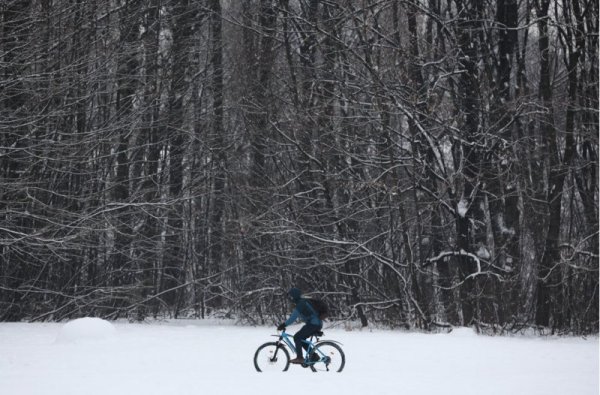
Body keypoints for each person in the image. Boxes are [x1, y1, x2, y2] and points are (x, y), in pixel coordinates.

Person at [277, 287, 323, 364]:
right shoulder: (301, 302)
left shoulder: (301, 303)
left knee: (297, 337)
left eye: (290, 296)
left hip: (314, 324)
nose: (290, 298)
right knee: (301, 339)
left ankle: (300, 358)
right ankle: (314, 355)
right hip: (314, 324)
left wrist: (284, 324)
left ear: (294, 296)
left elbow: (293, 318)